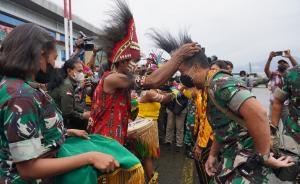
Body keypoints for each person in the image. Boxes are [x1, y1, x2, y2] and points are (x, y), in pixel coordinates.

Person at [151, 31, 294, 183]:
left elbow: (259, 113)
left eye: (182, 72)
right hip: (232, 157)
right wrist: (213, 155)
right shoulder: (208, 86)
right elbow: (222, 127)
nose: (182, 77)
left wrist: (265, 156)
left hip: (249, 161)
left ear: (195, 67)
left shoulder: (220, 83)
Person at [0, 23, 121, 184]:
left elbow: (28, 133)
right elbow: (29, 168)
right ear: (40, 55)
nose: (55, 65)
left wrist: (67, 132)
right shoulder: (21, 96)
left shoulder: (15, 85)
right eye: (54, 58)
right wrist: (90, 157)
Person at [88, 0, 200, 145]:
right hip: (106, 142)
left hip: (113, 139)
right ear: (122, 61)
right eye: (132, 61)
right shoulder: (113, 78)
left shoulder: (117, 79)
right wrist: (179, 56)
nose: (135, 65)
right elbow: (152, 81)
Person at [272, 65, 300, 182]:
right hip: (295, 136)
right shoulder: (292, 73)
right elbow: (278, 101)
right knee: (290, 175)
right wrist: (272, 131)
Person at [48, 57, 91, 130]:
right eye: (79, 71)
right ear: (69, 71)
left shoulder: (68, 83)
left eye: (82, 71)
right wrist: (82, 115)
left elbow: (72, 104)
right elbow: (67, 112)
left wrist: (83, 111)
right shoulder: (67, 85)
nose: (82, 74)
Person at [264, 50, 298, 122]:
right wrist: (269, 59)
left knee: (287, 124)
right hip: (273, 104)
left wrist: (290, 57)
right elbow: (266, 70)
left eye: (284, 62)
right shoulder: (273, 74)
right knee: (272, 125)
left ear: (288, 65)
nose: (281, 63)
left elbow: (297, 68)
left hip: (286, 105)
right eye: (280, 63)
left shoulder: (291, 75)